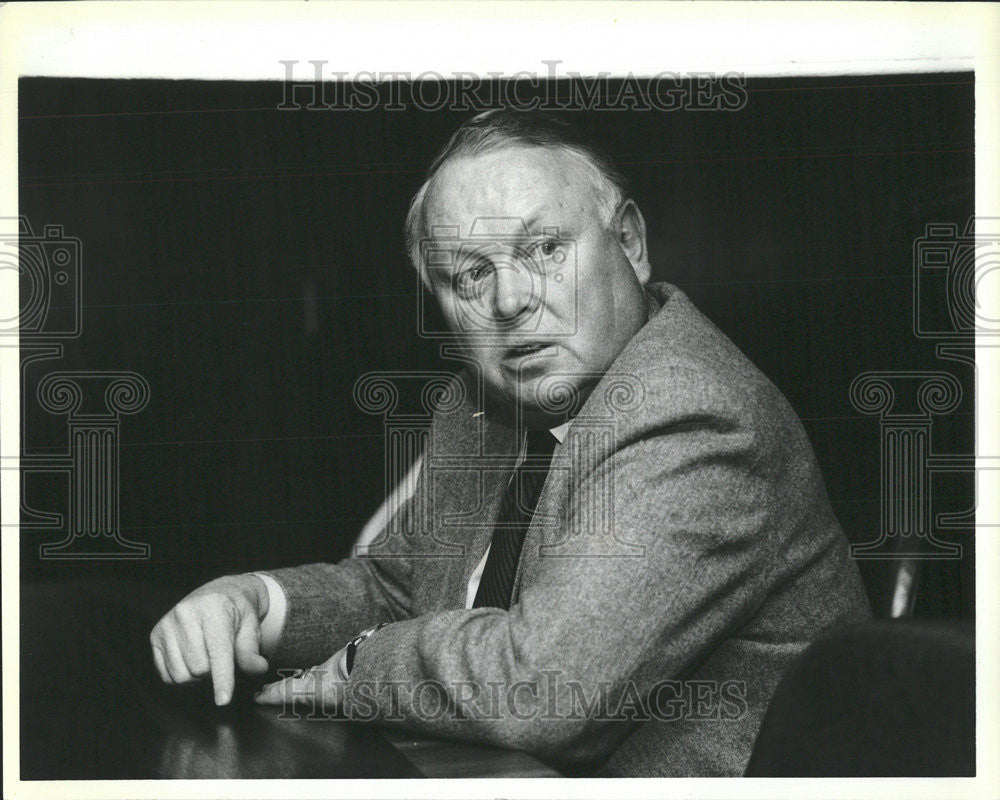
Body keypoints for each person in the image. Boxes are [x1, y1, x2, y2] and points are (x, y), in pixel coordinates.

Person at [150, 109, 872, 776]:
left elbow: (544, 689)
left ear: (630, 243)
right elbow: (401, 587)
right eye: (469, 274)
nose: (508, 301)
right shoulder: (482, 405)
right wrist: (255, 603)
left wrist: (360, 667)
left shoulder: (695, 416)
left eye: (544, 249)